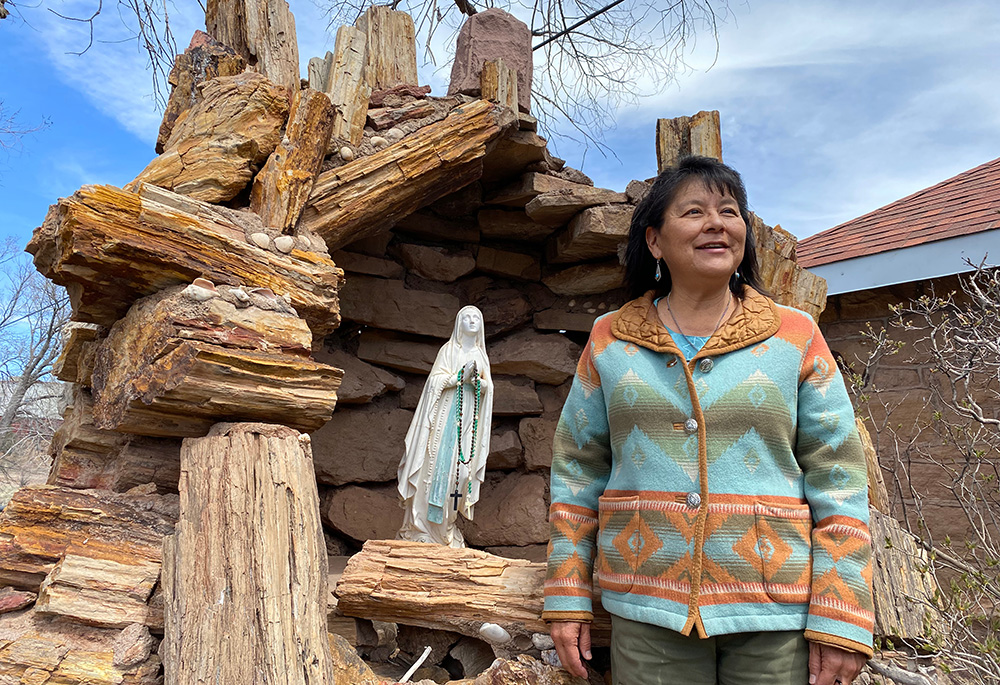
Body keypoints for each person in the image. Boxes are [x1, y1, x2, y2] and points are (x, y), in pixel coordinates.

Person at [543, 157, 874, 685]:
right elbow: (578, 471)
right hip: (647, 604)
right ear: (654, 241)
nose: (717, 223)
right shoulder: (610, 339)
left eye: (729, 210)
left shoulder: (795, 336)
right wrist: (567, 591)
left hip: (775, 609)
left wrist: (843, 608)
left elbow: (838, 476)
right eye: (693, 211)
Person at [397, 305, 493, 548]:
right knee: (433, 470)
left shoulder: (482, 356)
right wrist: (457, 378)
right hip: (442, 422)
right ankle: (421, 529)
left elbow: (488, 389)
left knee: (459, 476)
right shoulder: (449, 350)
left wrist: (477, 382)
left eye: (476, 318)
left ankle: (447, 529)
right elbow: (434, 382)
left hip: (467, 424)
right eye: (467, 317)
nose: (472, 321)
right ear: (458, 323)